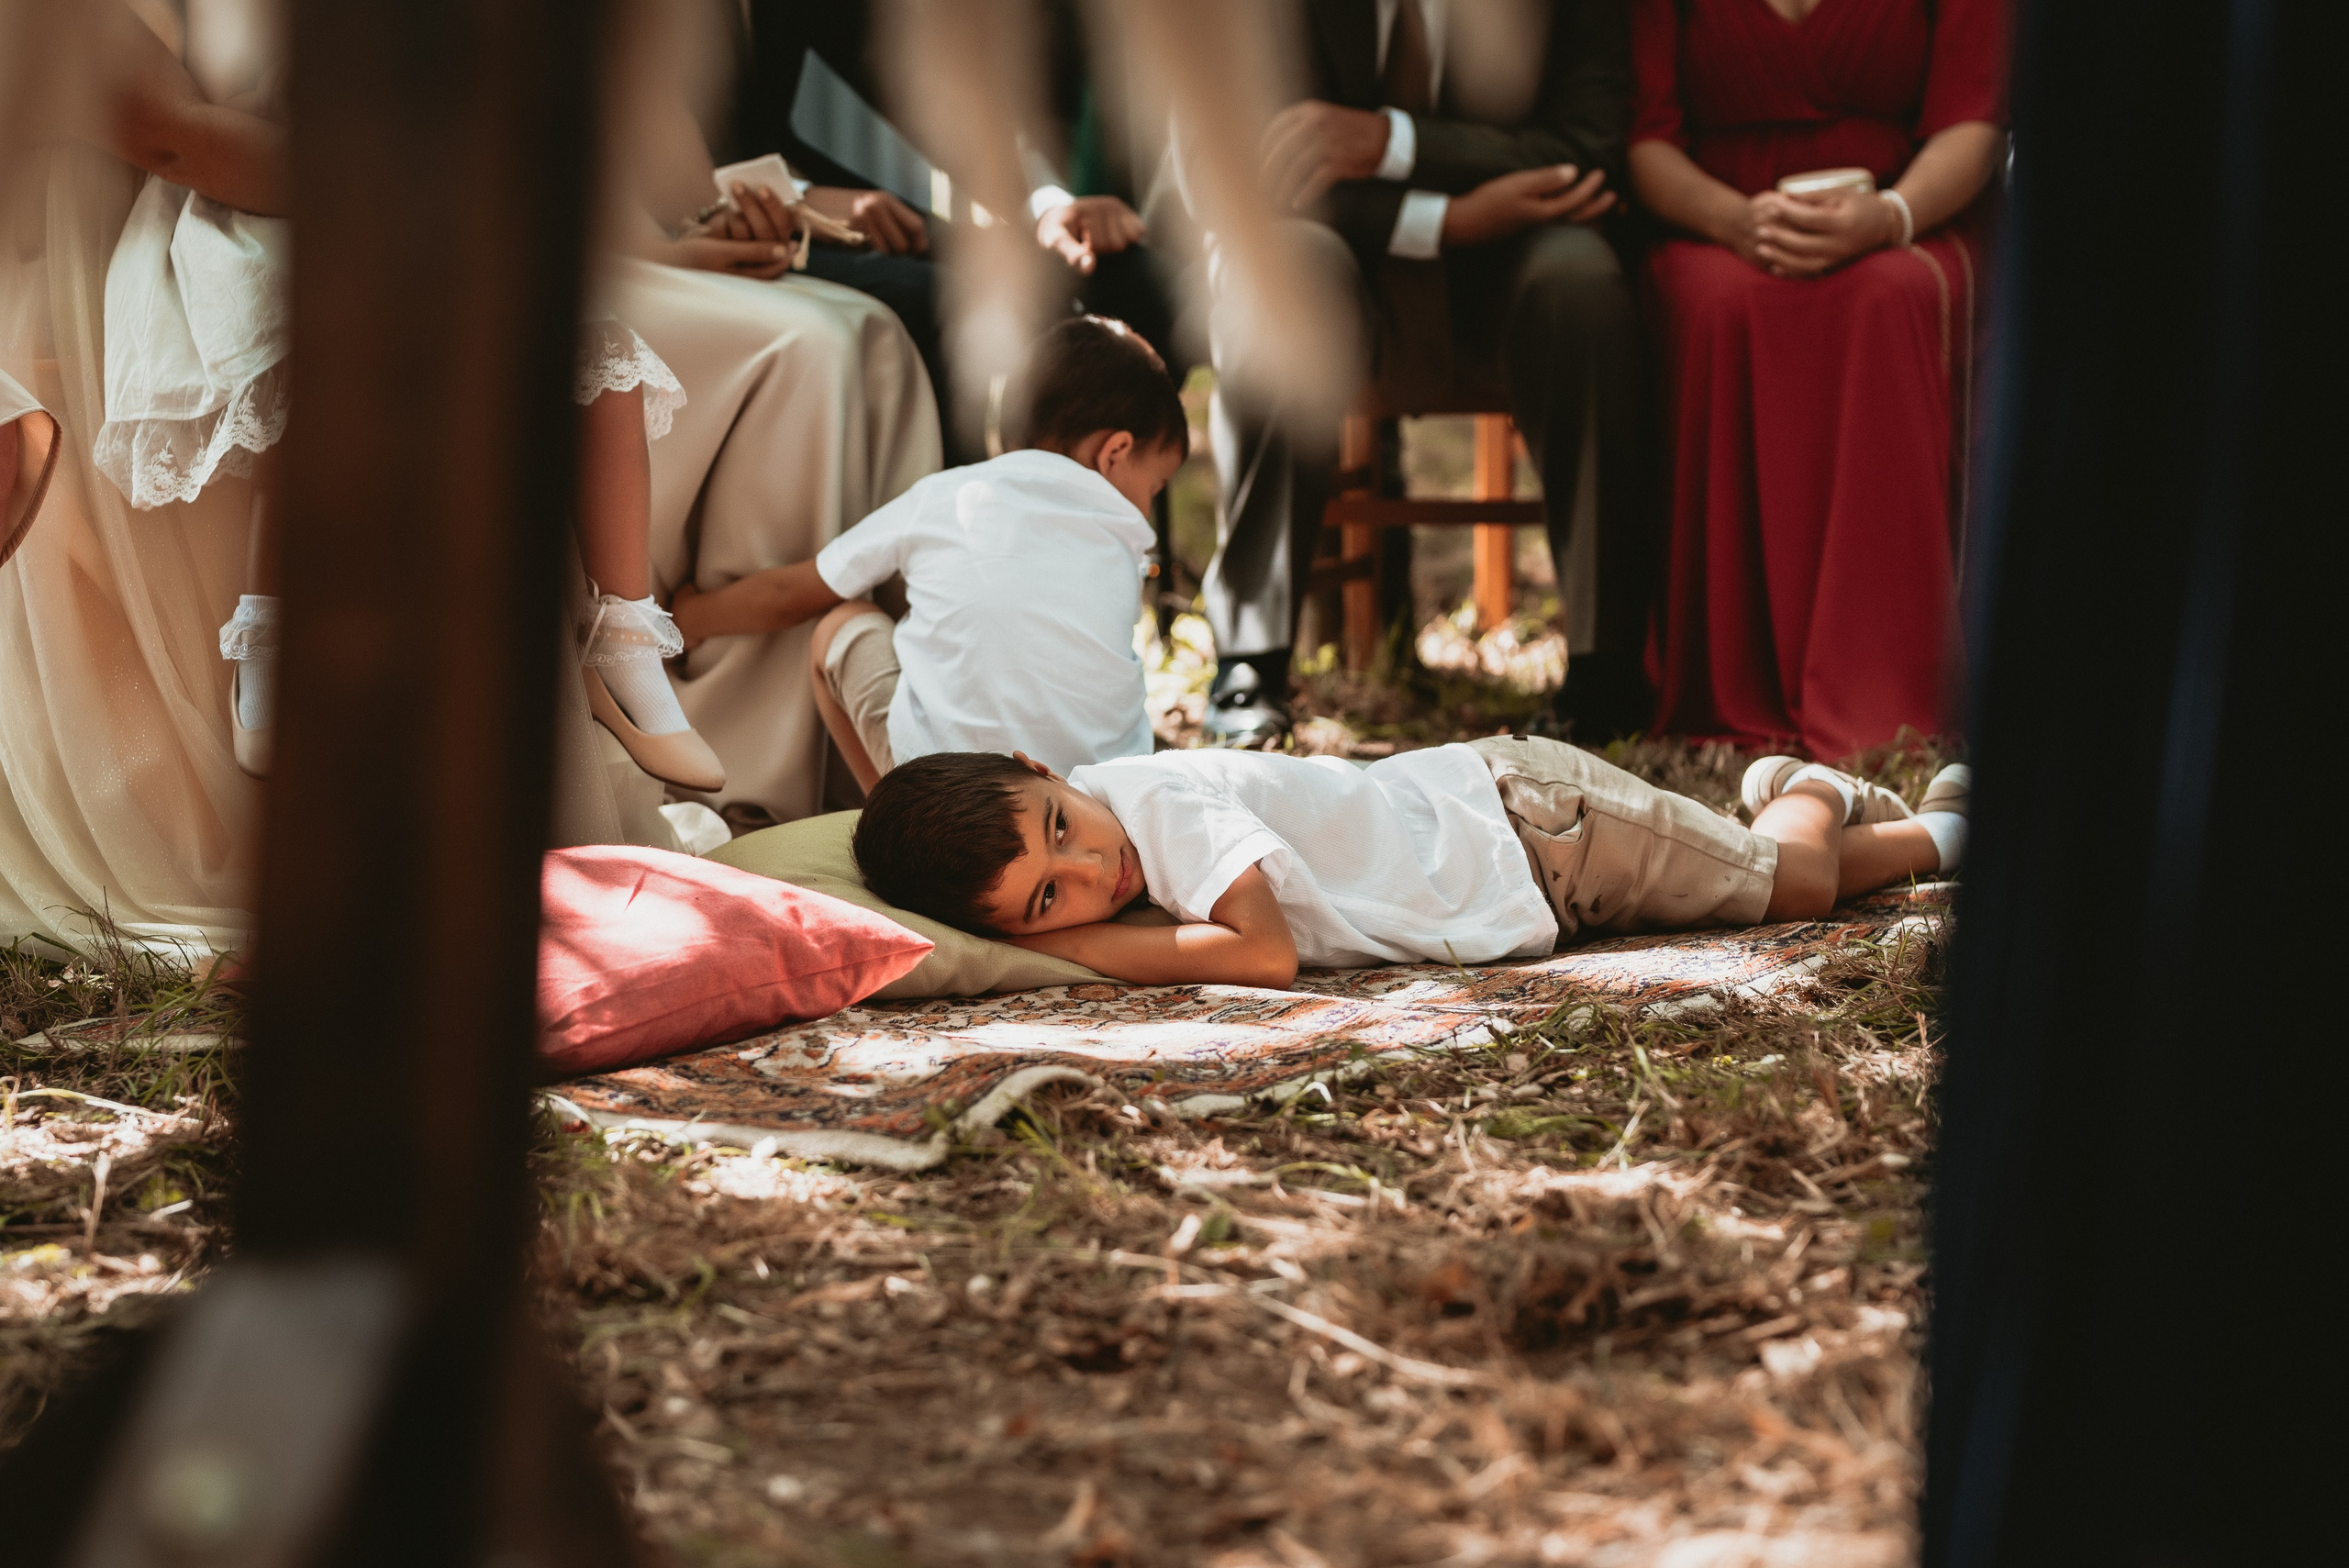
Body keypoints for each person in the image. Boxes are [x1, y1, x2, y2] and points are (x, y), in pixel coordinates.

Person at [1196, 0, 1655, 747]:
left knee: (1581, 283)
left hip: (1513, 252)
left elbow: (1586, 147)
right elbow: (1224, 162)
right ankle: (1252, 659)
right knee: (1271, 273)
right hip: (1334, 242)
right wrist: (1440, 219)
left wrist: (1392, 142)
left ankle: (1604, 673)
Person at [1630, 0, 2008, 761]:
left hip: (1911, 218)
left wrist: (1891, 217)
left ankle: (1894, 687)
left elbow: (1974, 122)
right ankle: (1727, 684)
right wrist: (1738, 222)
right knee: (1716, 308)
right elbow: (1646, 142)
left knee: (1886, 299)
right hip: (1719, 223)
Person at [851, 735, 1969, 987]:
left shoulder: (1147, 803)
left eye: (1059, 828)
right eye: (1049, 899)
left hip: (1536, 825)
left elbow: (1264, 953)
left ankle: (1838, 798)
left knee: (1794, 889)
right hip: (1522, 861)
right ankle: (1813, 808)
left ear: (1041, 766)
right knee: (1757, 881)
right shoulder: (1116, 831)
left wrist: (1080, 943)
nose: (1091, 871)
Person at [672, 315, 1185, 789]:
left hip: (955, 795)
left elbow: (792, 594)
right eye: (1156, 486)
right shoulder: (1120, 533)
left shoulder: (947, 496)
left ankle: (897, 820)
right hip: (1101, 801)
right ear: (1114, 452)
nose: (1144, 509)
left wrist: (691, 616)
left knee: (841, 623)